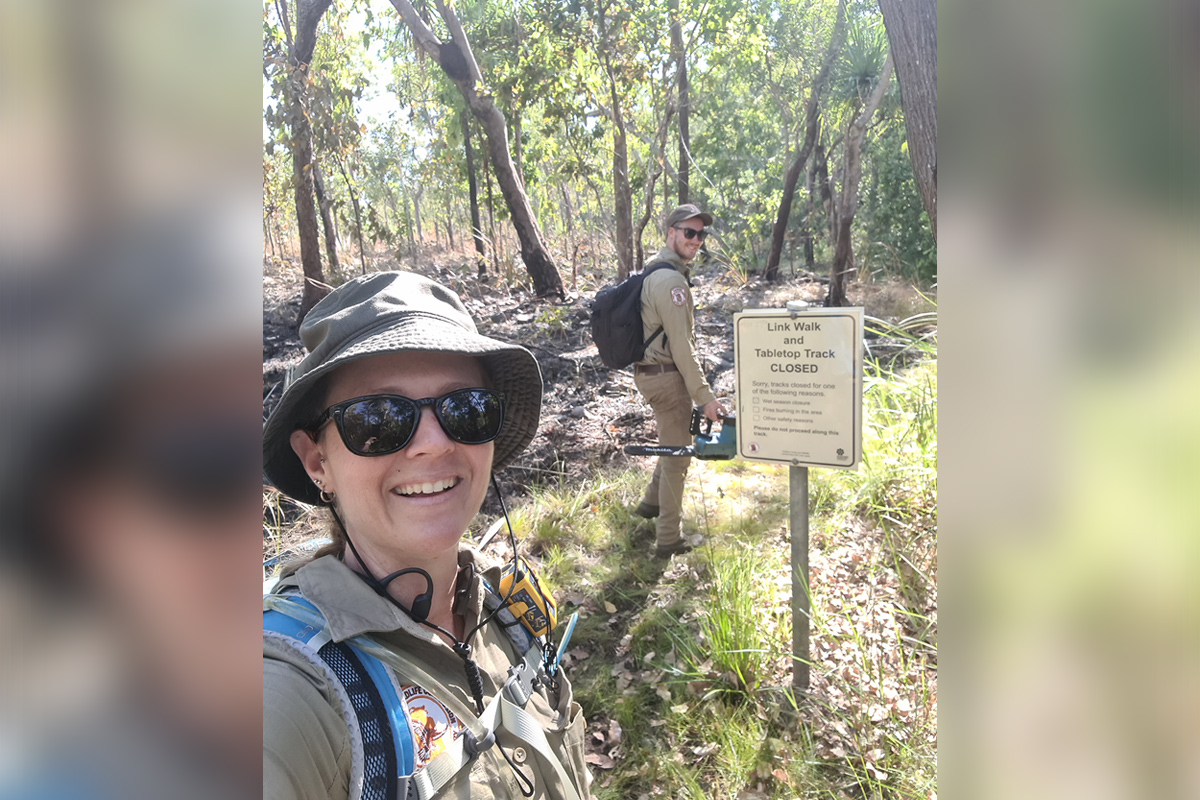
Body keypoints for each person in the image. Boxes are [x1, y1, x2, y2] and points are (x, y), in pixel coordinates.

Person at [262, 271, 591, 800]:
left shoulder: (508, 605)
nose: (434, 444)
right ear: (318, 460)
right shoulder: (296, 693)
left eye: (466, 408)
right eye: (380, 418)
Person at [633, 204, 729, 557]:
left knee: (673, 439)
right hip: (667, 378)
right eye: (690, 232)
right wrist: (705, 398)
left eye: (701, 234)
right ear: (671, 231)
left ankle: (649, 505)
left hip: (654, 375)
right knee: (679, 456)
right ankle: (668, 539)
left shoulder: (656, 271)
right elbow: (683, 348)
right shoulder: (671, 281)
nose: (697, 240)